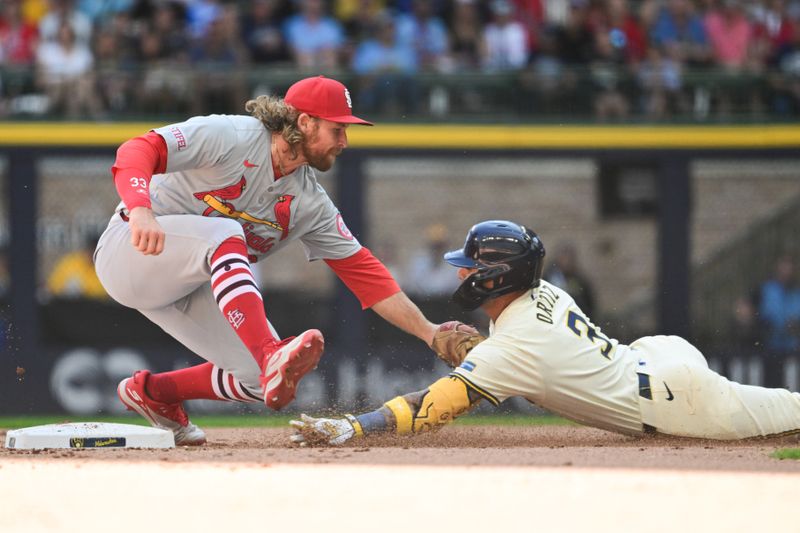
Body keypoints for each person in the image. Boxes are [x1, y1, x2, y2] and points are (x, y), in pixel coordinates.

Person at [94, 75, 479, 445]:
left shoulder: (309, 202)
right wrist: (141, 209)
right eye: (337, 129)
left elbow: (367, 276)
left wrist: (430, 332)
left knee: (261, 381)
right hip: (129, 250)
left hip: (185, 282)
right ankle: (269, 354)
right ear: (305, 122)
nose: (344, 141)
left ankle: (155, 393)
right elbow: (138, 149)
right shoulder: (233, 136)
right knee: (229, 236)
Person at [290, 220, 800, 446]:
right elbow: (523, 352)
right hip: (657, 361)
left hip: (673, 400)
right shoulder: (547, 293)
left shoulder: (513, 345)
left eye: (470, 268)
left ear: (499, 276)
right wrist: (482, 352)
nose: (461, 274)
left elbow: (430, 407)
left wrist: (354, 428)